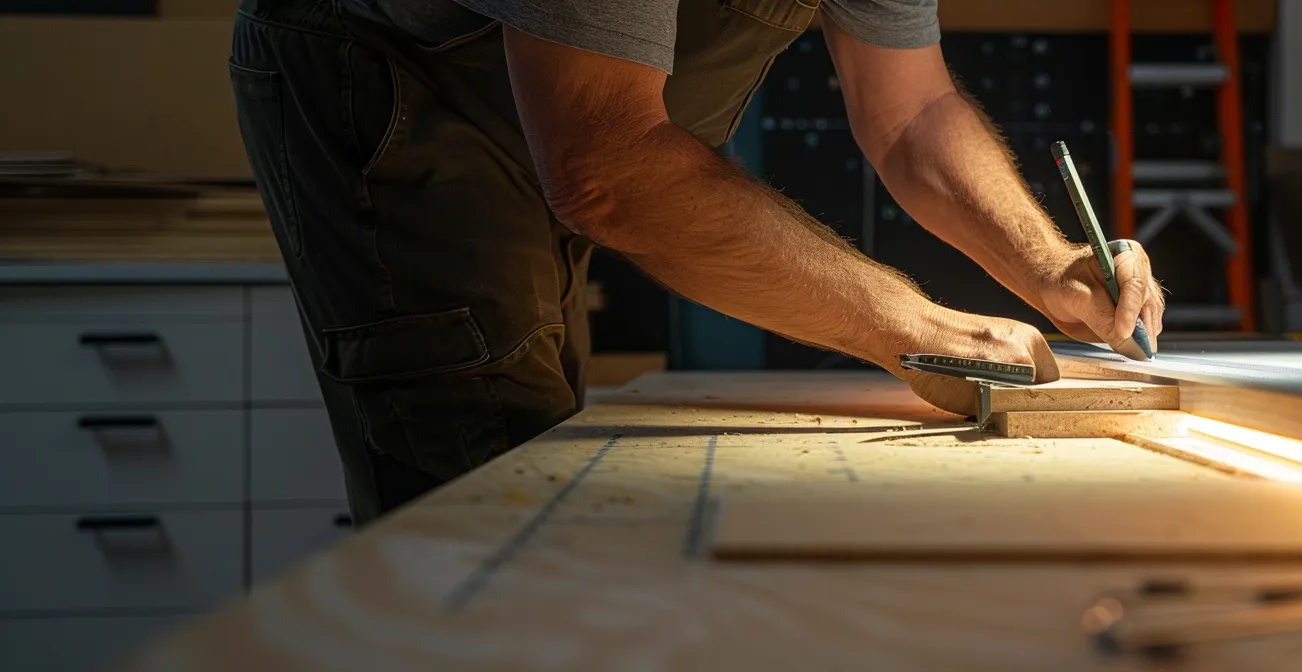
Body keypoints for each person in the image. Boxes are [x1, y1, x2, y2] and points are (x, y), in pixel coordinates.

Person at [228, 0, 1166, 523]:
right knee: (492, 496)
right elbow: (603, 169)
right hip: (396, 80)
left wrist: (1050, 263)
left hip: (565, 108)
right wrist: (920, 329)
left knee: (541, 468)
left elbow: (912, 110)